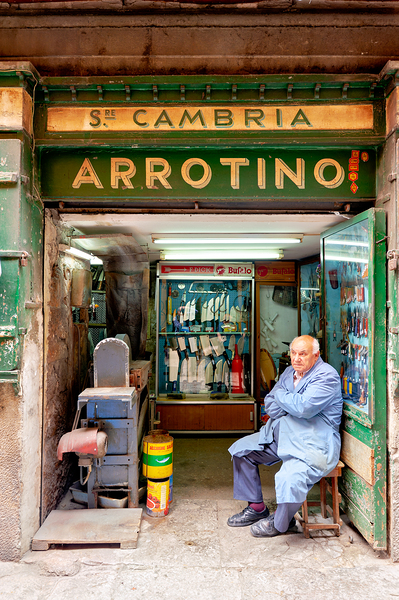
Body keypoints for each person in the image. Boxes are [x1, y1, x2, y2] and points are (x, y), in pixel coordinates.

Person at [227, 335, 343, 537]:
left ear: (316, 355)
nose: (296, 358)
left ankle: (282, 522)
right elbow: (270, 405)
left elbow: (303, 408)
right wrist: (286, 403)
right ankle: (256, 508)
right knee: (241, 451)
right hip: (281, 435)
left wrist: (280, 397)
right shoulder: (290, 372)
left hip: (312, 443)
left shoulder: (327, 376)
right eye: (293, 353)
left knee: (289, 478)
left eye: (302, 354)